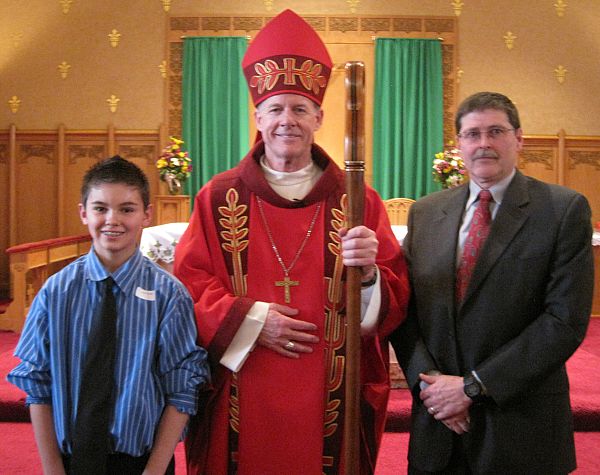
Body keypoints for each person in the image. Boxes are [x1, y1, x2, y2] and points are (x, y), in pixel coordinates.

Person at [174, 9, 409, 475]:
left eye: (300, 109)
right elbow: (189, 284)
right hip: (244, 378)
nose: (288, 120)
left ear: (318, 117)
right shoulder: (218, 197)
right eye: (276, 109)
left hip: (330, 387)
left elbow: (396, 293)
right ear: (258, 117)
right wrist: (253, 321)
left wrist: (368, 276)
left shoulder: (358, 200)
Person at [391, 91, 594, 474]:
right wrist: (432, 386)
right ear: (459, 144)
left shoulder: (561, 210)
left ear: (519, 139)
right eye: (472, 134)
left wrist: (474, 387)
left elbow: (564, 320)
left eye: (495, 131)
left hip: (520, 426)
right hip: (439, 428)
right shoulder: (426, 213)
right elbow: (404, 309)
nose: (483, 143)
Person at [8, 156, 210, 475]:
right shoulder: (55, 292)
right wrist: (53, 469)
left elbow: (182, 388)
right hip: (71, 461)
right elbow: (37, 383)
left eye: (127, 209)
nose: (112, 220)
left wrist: (155, 470)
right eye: (101, 208)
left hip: (141, 463)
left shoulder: (169, 295)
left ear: (146, 215)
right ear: (83, 213)